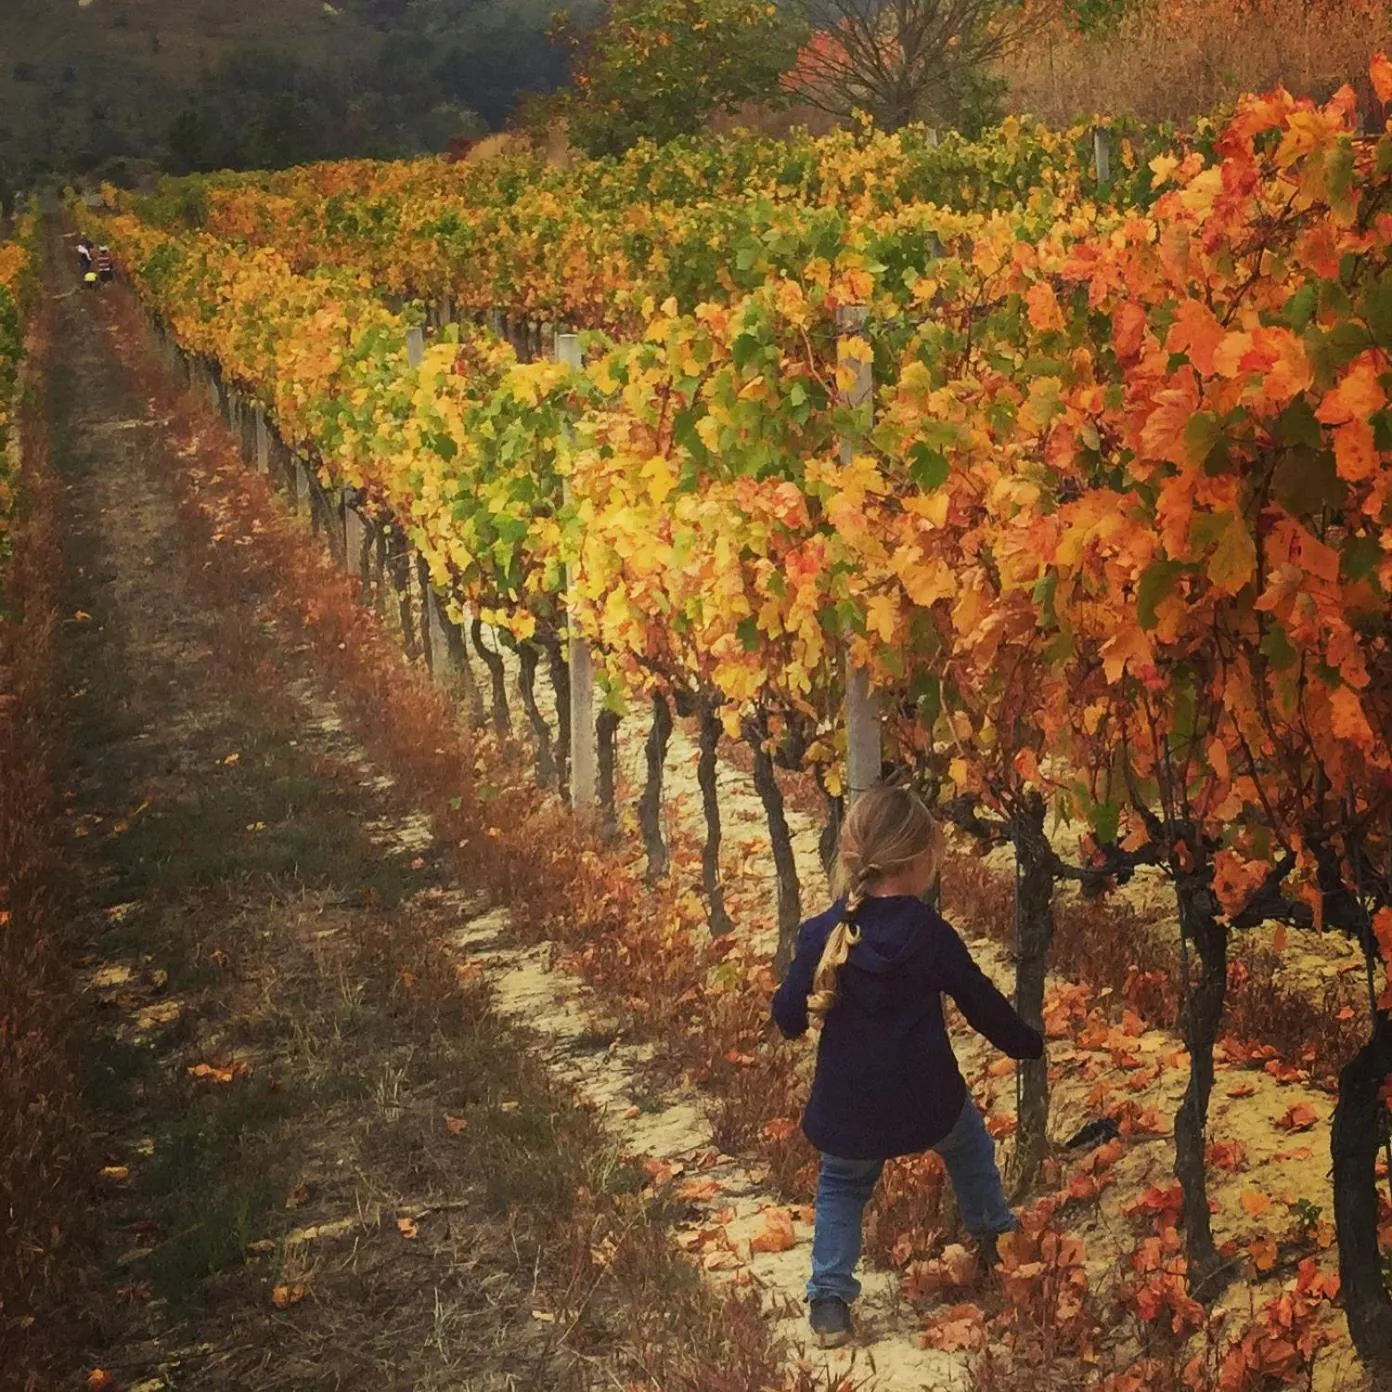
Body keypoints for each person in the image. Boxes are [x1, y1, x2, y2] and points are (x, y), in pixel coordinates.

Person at [771, 783, 1044, 1350]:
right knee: (967, 1145)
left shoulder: (826, 930)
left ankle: (828, 1301)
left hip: (849, 1106)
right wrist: (1025, 1044)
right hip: (926, 1098)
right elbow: (980, 999)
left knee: (842, 1187)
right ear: (921, 862)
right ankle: (997, 1237)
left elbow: (787, 1012)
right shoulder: (929, 934)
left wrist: (800, 1018)